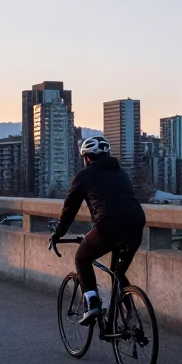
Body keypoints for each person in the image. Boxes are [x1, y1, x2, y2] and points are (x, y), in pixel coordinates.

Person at [49, 136, 146, 326]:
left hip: (108, 226)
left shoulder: (83, 176)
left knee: (82, 258)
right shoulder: (122, 174)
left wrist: (58, 233)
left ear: (87, 157)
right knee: (118, 272)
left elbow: (70, 209)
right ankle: (132, 319)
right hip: (136, 224)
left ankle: (92, 303)